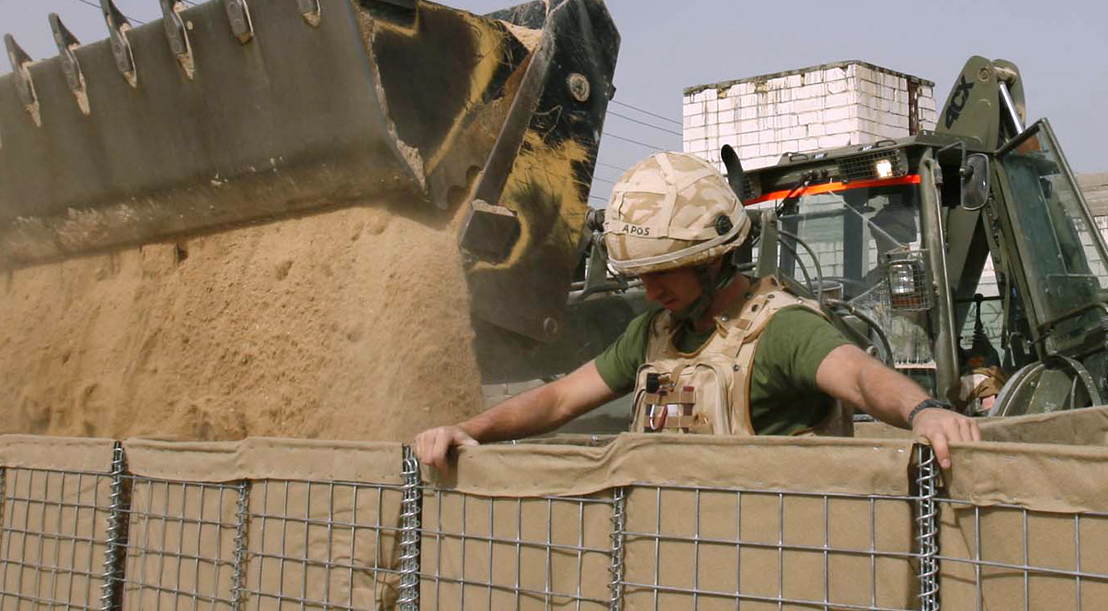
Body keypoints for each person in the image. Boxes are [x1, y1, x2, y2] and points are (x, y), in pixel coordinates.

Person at [413, 151, 981, 468]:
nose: (651, 291)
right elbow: (560, 398)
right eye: (642, 276)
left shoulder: (782, 328)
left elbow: (857, 375)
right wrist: (469, 430)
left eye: (664, 273)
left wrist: (924, 411)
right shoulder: (653, 333)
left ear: (713, 259)